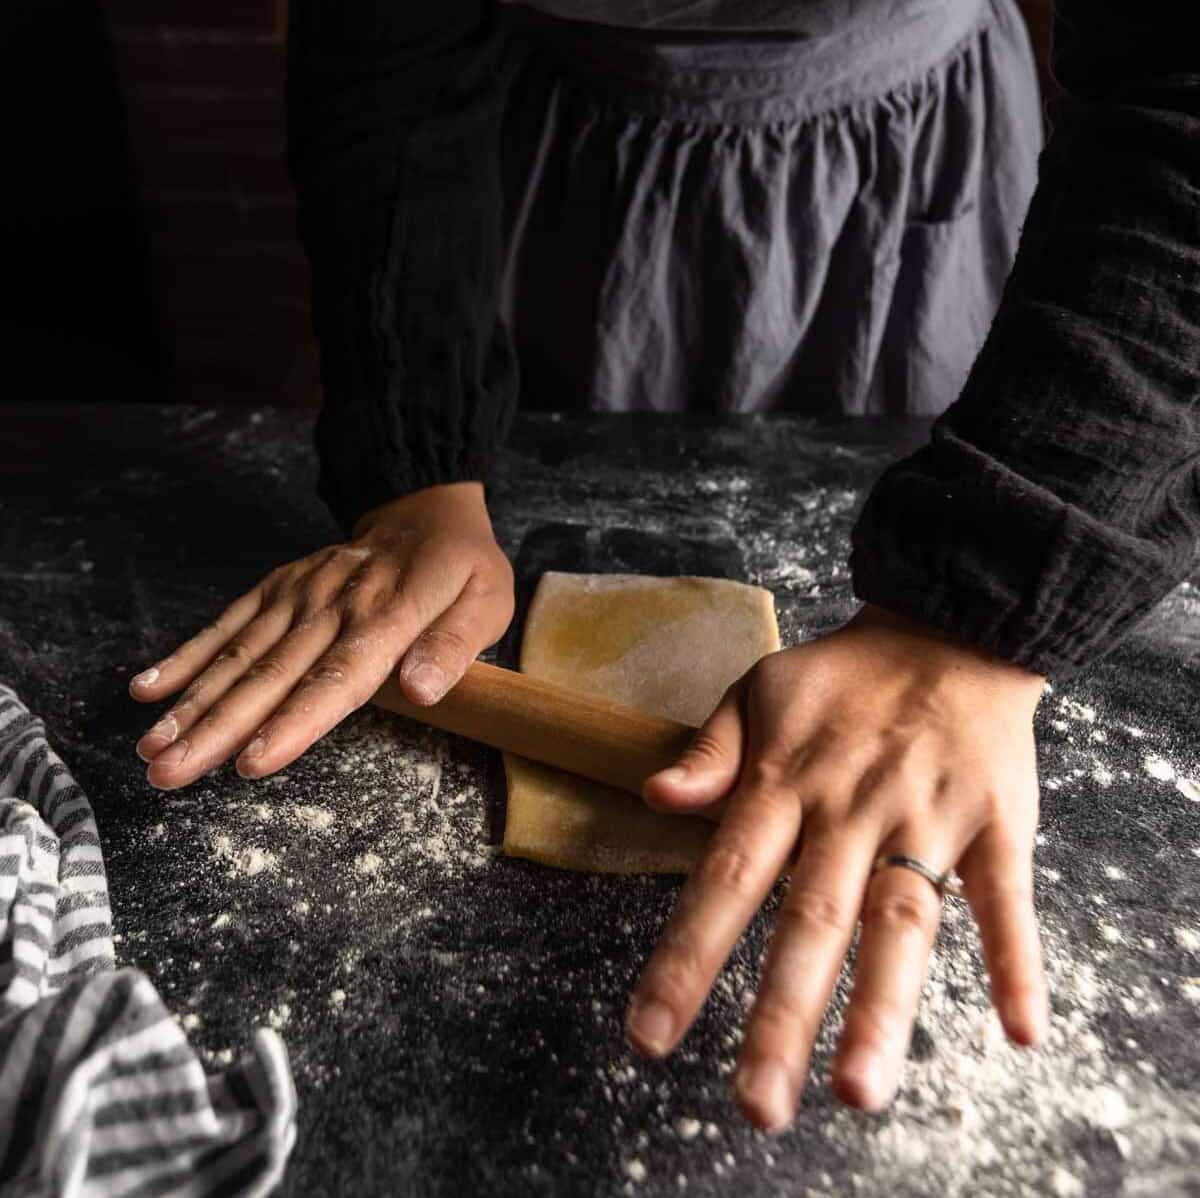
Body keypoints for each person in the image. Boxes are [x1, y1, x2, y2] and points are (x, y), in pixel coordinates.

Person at [129, 0, 1199, 1134]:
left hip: (903, 172)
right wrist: (416, 460)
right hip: (569, 180)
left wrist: (980, 606)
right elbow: (383, 31)